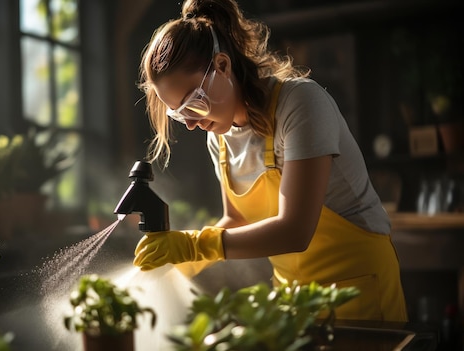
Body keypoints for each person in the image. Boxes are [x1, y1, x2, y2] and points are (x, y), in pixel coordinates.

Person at [132, 0, 408, 322]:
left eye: (193, 103)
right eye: (178, 114)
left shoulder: (300, 103)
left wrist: (195, 245)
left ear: (221, 66)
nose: (191, 123)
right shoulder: (218, 137)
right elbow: (237, 221)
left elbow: (295, 230)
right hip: (295, 301)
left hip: (360, 291)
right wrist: (175, 265)